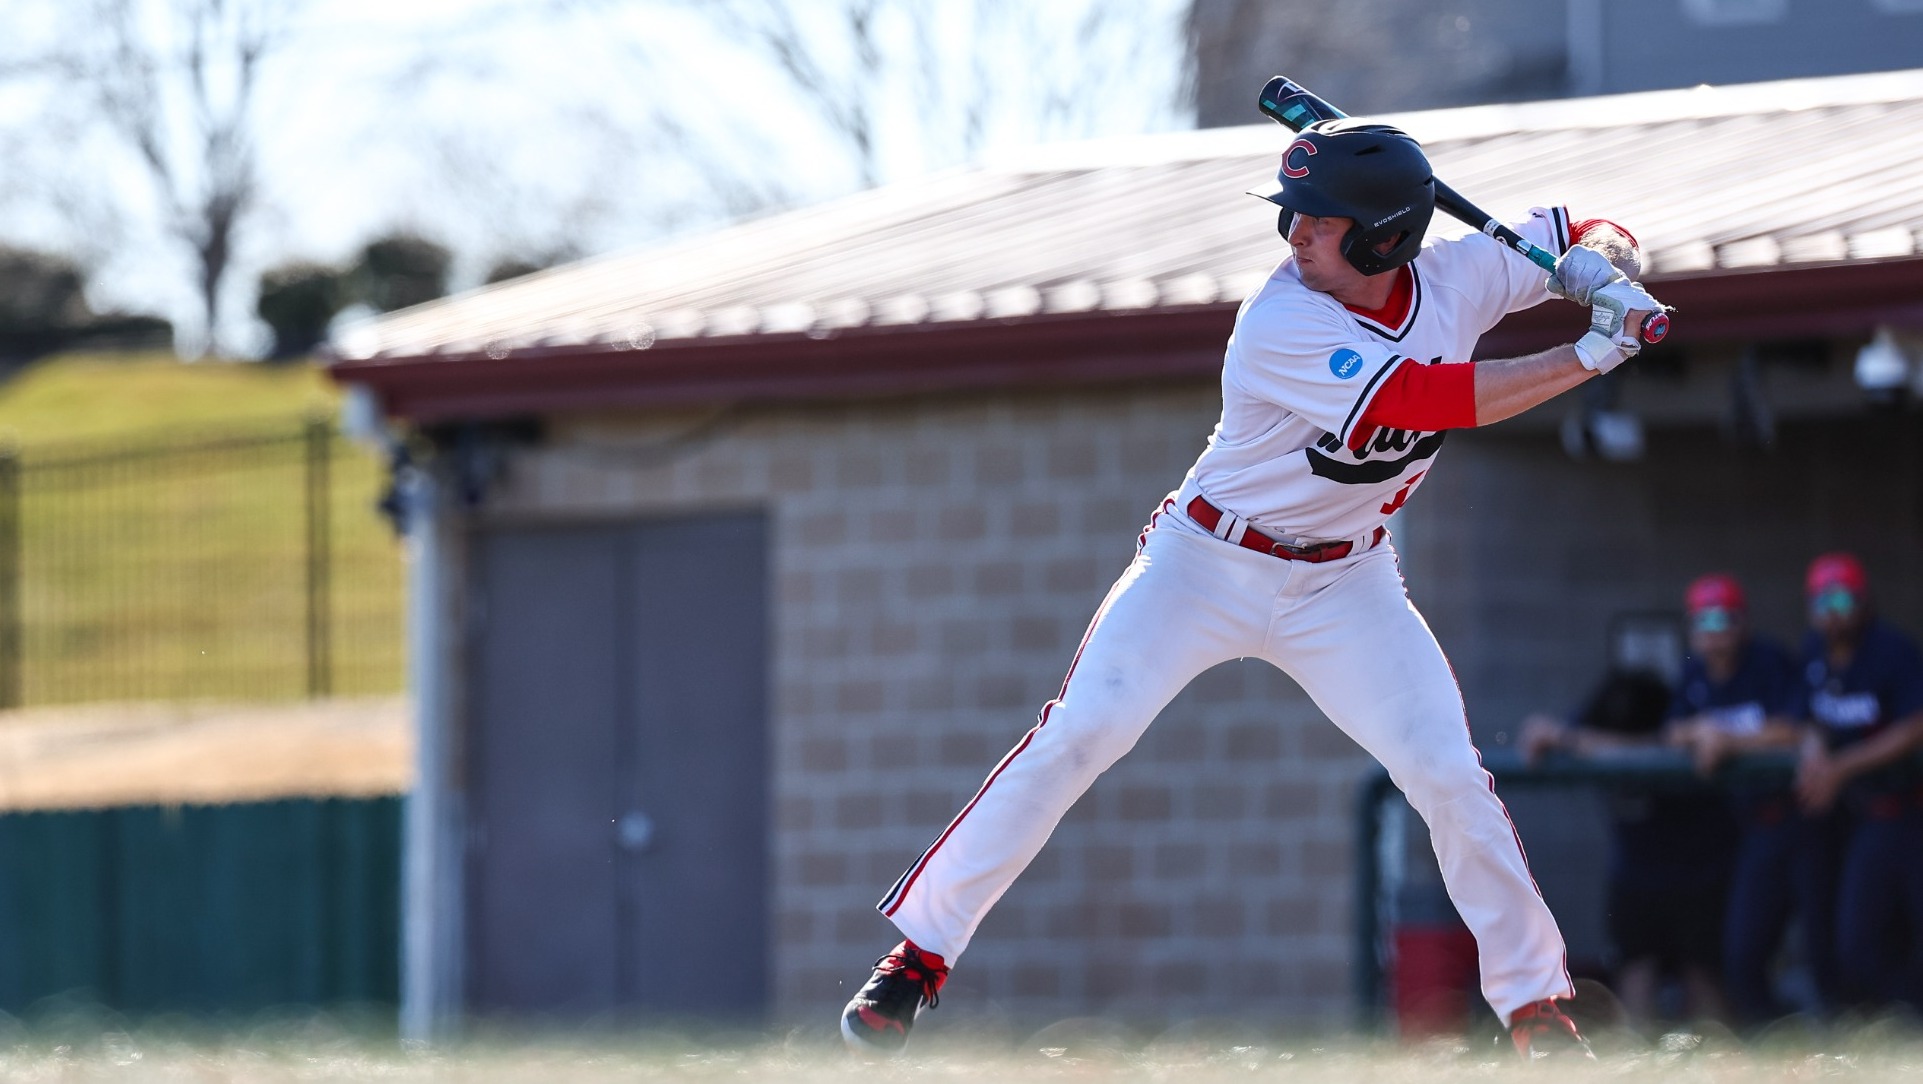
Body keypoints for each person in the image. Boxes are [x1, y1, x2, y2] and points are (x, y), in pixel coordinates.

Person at [838, 116, 1666, 1061]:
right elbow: (1425, 399)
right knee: (1083, 730)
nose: (1293, 234)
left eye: (1316, 220)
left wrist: (1600, 269)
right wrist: (1590, 353)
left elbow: (1590, 226)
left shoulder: (1460, 275)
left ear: (1385, 234)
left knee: (1447, 773)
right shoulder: (1280, 317)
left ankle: (1533, 1006)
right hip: (1204, 563)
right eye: (1293, 216)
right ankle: (921, 952)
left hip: (1344, 580)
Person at [1519, 660, 1740, 1034]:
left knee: (1702, 978)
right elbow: (1545, 734)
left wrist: (1573, 741)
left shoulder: (1674, 706)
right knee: (1636, 973)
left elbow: (1653, 745)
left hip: (1697, 871)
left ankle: (1723, 1069)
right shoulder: (1598, 709)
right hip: (1636, 876)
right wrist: (1546, 734)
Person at [1791, 553, 1923, 1012]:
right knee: (1852, 944)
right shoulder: (1812, 653)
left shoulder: (1893, 651)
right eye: (1823, 599)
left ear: (1865, 603)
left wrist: (1841, 766)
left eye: (1843, 598)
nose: (1833, 609)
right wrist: (1813, 748)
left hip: (1906, 812)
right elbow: (1804, 719)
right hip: (1853, 819)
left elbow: (1914, 725)